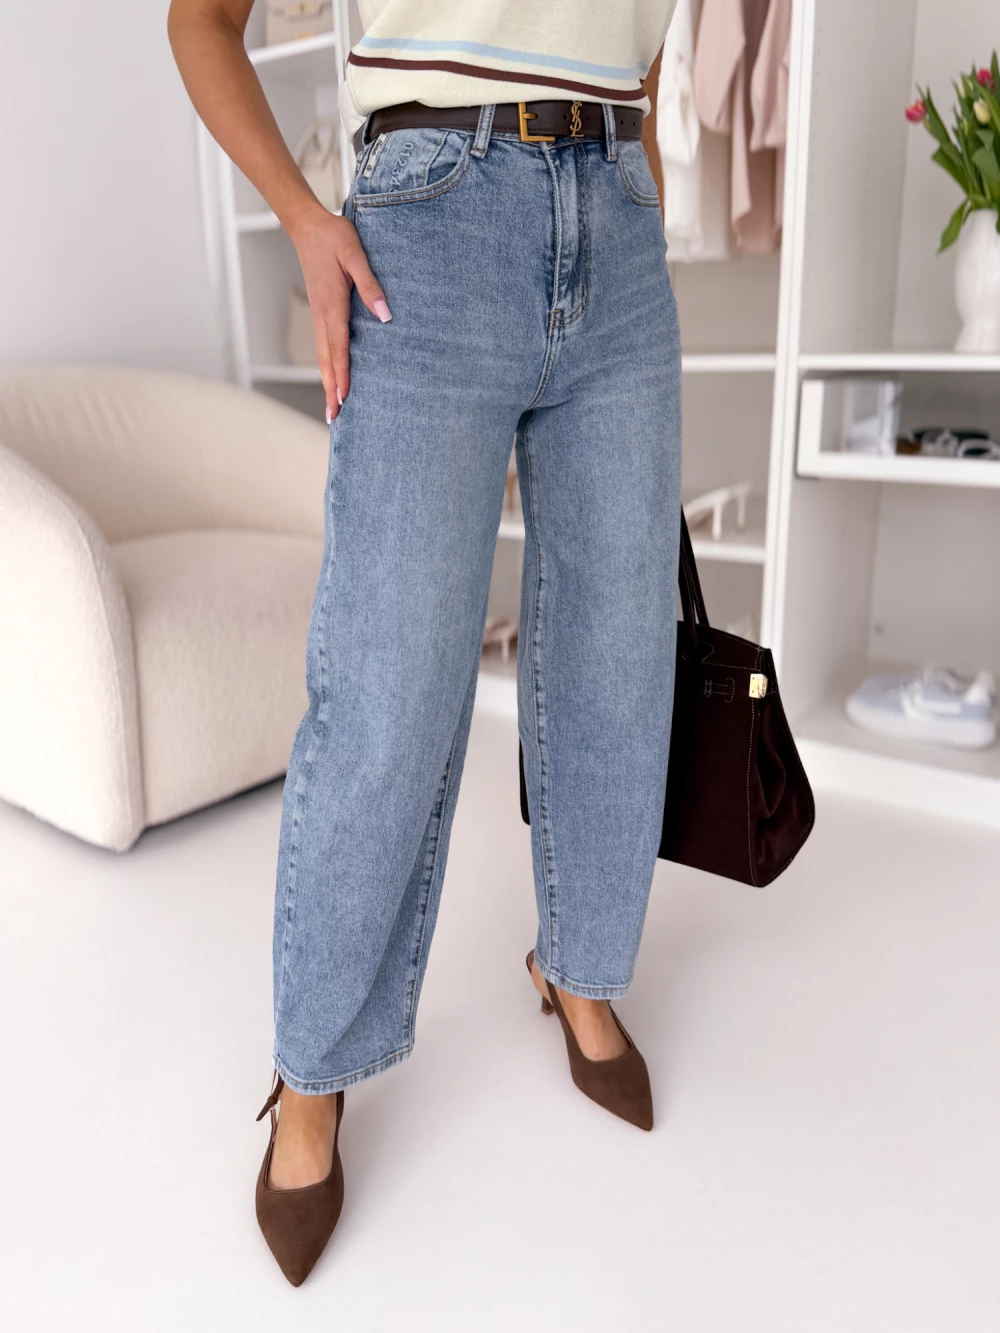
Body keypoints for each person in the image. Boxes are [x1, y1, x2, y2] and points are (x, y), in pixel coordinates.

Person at [168, 0, 681, 1286]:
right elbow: (201, 22)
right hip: (432, 220)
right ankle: (312, 1072)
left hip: (621, 223)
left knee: (621, 652)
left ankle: (578, 967)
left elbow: (641, 53)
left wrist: (639, 196)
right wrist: (304, 215)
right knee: (387, 682)